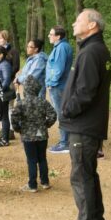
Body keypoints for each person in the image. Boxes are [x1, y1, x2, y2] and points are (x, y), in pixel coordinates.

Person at [58, 9, 111, 220]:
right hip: (88, 124)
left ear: (91, 25)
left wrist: (66, 110)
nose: (73, 23)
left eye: (78, 20)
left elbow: (86, 92)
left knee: (81, 177)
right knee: (88, 175)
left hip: (84, 125)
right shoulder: (95, 49)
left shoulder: (91, 51)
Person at [11, 75, 57, 192]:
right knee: (42, 158)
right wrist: (46, 124)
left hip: (27, 136)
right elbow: (53, 114)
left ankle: (32, 185)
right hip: (42, 135)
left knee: (31, 160)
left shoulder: (21, 103)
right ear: (37, 89)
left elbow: (14, 117)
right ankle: (45, 182)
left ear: (25, 89)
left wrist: (18, 129)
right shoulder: (43, 101)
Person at [45, 25, 74, 154]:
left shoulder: (61, 48)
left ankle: (64, 143)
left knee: (61, 113)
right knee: (63, 112)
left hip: (58, 86)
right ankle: (66, 140)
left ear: (58, 36)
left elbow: (58, 69)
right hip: (60, 85)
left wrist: (51, 83)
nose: (49, 36)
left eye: (51, 34)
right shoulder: (62, 46)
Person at [0, 46, 13, 147]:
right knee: (2, 116)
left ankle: (5, 140)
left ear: (1, 55)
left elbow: (7, 80)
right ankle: (4, 135)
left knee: (4, 116)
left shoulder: (5, 65)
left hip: (2, 94)